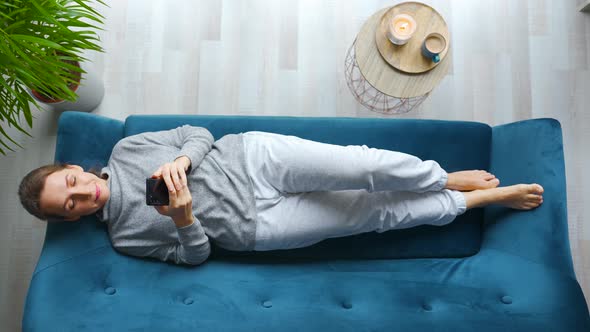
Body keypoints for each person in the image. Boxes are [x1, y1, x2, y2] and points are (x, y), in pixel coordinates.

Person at [18, 126, 544, 266]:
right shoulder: (125, 240)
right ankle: (471, 203)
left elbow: (197, 134)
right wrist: (183, 220)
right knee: (374, 215)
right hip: (259, 228)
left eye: (69, 184)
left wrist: (182, 160)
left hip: (253, 158)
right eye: (68, 206)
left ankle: (443, 177)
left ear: (70, 169)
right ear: (72, 217)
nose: (79, 195)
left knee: (364, 165)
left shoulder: (128, 147)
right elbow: (197, 256)